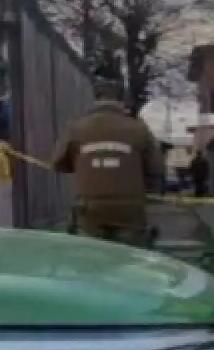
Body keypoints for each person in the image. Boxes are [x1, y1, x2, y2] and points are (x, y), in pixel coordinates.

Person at [51, 78, 164, 246]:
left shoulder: (76, 128)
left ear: (96, 98)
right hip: (129, 210)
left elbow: (58, 163)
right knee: (128, 258)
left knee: (92, 256)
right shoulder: (139, 128)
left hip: (89, 208)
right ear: (121, 100)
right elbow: (156, 168)